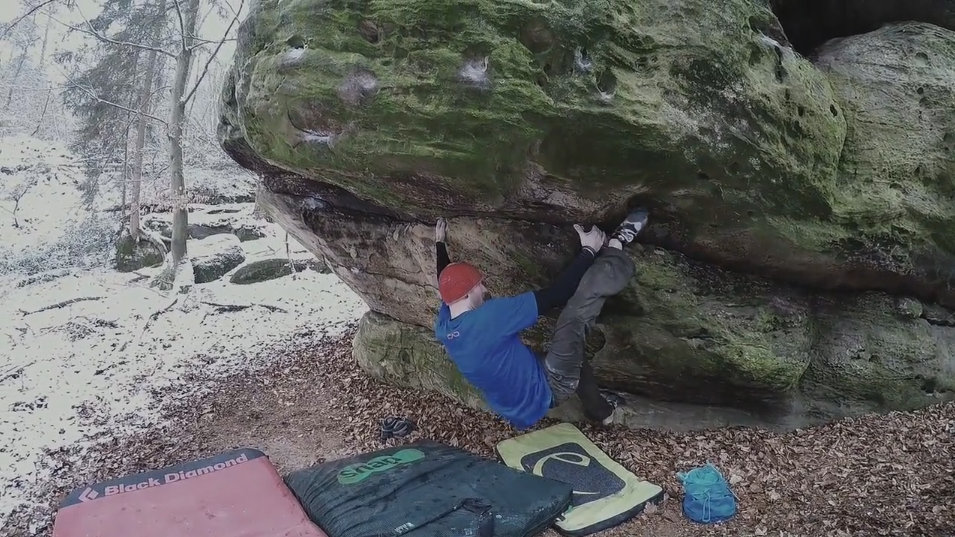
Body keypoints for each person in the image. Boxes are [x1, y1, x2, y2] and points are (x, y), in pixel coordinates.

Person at [433, 208, 649, 429]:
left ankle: (601, 412)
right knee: (573, 318)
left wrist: (440, 243)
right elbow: (557, 294)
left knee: (572, 357)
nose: (484, 288)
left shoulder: (444, 326)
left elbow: (445, 283)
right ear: (467, 294)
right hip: (549, 387)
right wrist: (588, 250)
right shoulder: (490, 318)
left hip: (515, 404)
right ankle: (616, 248)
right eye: (479, 285)